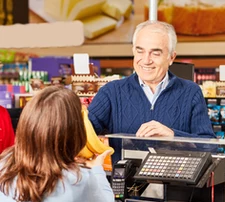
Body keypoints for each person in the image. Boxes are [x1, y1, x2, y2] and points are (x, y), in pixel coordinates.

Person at [88, 20, 215, 163]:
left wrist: (173, 136)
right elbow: (82, 131)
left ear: (171, 57)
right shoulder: (111, 92)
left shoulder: (191, 92)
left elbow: (210, 145)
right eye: (140, 51)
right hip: (127, 185)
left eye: (155, 53)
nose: (146, 60)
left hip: (177, 184)